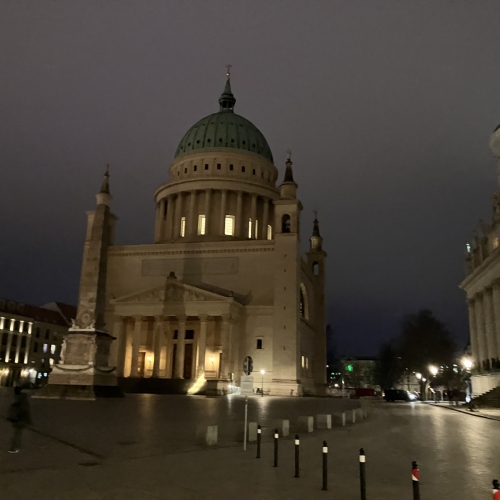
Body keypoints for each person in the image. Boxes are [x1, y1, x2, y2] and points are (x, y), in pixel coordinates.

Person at [7, 386, 32, 453]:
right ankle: (15, 446)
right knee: (17, 434)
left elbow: (23, 410)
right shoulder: (21, 399)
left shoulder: (20, 400)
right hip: (18, 420)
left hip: (19, 420)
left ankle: (15, 447)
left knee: (17, 434)